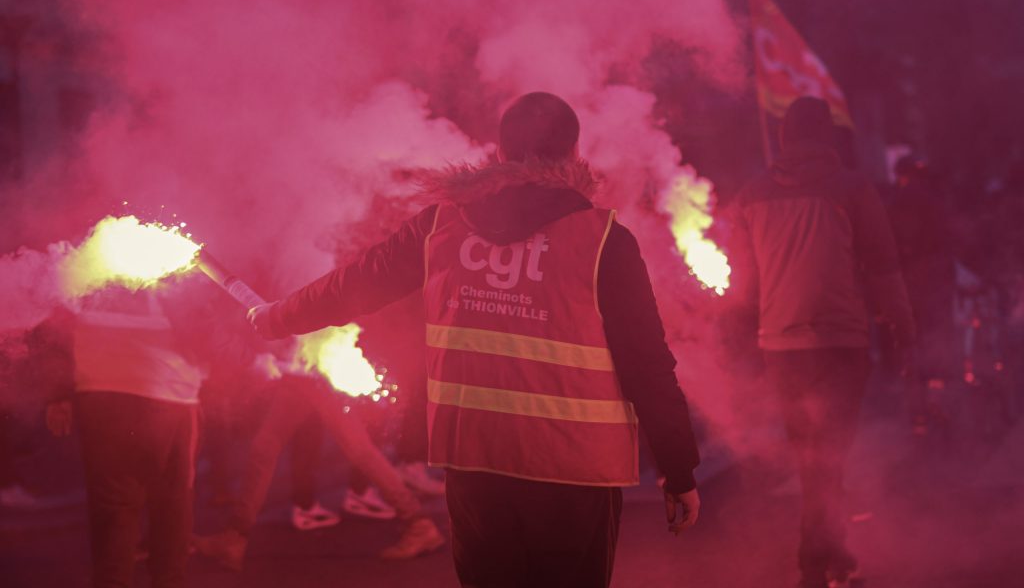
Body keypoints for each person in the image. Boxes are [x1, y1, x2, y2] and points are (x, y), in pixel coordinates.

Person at [248, 91, 701, 588]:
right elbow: (648, 365)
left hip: (476, 465)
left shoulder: (440, 226)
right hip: (575, 472)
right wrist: (678, 471)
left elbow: (356, 284)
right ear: (573, 154)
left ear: (500, 153)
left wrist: (274, 318)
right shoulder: (604, 241)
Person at [730, 97, 915, 588]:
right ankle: (817, 560)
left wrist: (737, 339)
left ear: (786, 139)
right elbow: (883, 267)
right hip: (840, 342)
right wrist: (903, 329)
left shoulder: (750, 196)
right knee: (829, 453)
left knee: (811, 454)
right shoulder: (853, 188)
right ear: (827, 138)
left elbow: (741, 282)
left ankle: (830, 553)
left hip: (780, 347)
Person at [193, 353, 445, 571]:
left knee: (354, 449)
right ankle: (235, 537)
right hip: (306, 370)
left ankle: (418, 521)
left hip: (316, 368)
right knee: (266, 447)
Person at [43, 286, 204, 588]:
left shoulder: (87, 255)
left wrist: (58, 394)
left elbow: (56, 324)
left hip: (100, 396)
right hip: (168, 395)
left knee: (114, 516)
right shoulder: (178, 254)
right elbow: (205, 326)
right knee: (172, 509)